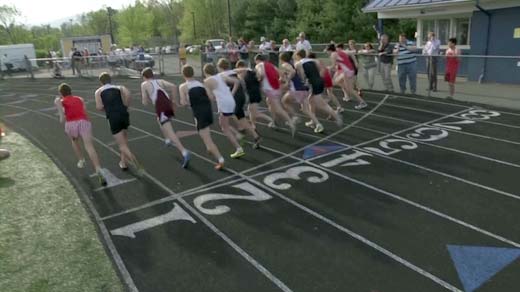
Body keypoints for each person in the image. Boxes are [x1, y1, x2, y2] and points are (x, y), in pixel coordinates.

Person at [55, 83, 107, 186]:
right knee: (89, 146)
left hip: (71, 124)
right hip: (83, 122)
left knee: (74, 140)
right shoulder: (80, 99)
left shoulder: (60, 101)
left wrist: (58, 103)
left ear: (61, 93)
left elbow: (62, 119)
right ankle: (98, 169)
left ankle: (81, 159)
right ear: (70, 91)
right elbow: (84, 111)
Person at [140, 67, 191, 168]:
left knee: (170, 130)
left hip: (161, 107)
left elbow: (145, 102)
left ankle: (184, 152)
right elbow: (173, 86)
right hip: (167, 104)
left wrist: (147, 100)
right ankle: (167, 139)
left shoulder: (144, 84)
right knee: (159, 120)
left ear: (144, 77)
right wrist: (175, 101)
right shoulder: (160, 81)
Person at [179, 65, 225, 170]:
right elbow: (211, 97)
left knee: (208, 140)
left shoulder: (183, 87)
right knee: (201, 130)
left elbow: (183, 102)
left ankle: (220, 159)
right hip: (207, 110)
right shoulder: (201, 84)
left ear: (183, 75)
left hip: (200, 112)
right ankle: (209, 148)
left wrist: (185, 103)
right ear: (193, 73)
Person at [94, 72, 142, 172]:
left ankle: (136, 163)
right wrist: (126, 105)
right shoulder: (119, 87)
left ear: (101, 82)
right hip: (124, 114)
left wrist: (107, 109)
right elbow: (128, 94)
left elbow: (98, 107)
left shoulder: (98, 91)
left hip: (113, 117)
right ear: (110, 80)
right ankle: (123, 163)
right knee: (124, 141)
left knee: (122, 145)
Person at [203, 63, 247, 158]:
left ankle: (239, 148)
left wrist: (214, 96)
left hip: (224, 103)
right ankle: (238, 134)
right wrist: (231, 93)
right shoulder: (221, 76)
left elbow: (210, 97)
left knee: (224, 128)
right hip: (230, 100)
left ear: (205, 72)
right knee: (224, 122)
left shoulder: (207, 81)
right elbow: (237, 82)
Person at [294, 49, 342, 133]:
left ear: (298, 56)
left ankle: (336, 116)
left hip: (313, 83)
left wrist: (304, 82)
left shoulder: (298, 63)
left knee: (321, 104)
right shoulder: (313, 60)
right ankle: (312, 121)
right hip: (319, 80)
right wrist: (318, 77)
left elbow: (301, 74)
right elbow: (322, 70)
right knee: (310, 101)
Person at [217, 58, 262, 145]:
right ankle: (255, 136)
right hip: (241, 96)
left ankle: (240, 131)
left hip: (235, 98)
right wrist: (249, 69)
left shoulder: (221, 75)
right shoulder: (233, 71)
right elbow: (242, 69)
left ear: (219, 67)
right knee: (241, 118)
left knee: (225, 118)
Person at [255, 54, 295, 135]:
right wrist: (283, 81)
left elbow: (261, 74)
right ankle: (273, 121)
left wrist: (258, 81)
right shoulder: (271, 65)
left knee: (277, 108)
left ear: (257, 60)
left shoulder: (259, 65)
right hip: (276, 88)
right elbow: (281, 73)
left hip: (270, 89)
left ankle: (291, 123)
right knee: (269, 102)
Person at [278, 52, 319, 128]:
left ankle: (295, 117)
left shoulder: (285, 65)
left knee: (284, 101)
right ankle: (318, 124)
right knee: (305, 109)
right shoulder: (293, 63)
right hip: (302, 87)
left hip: (296, 88)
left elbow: (292, 72)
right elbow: (297, 73)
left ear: (281, 59)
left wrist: (287, 81)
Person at [235, 60, 274, 128]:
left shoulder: (244, 73)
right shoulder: (252, 72)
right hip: (255, 93)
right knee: (250, 110)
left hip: (253, 95)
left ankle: (271, 120)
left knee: (256, 113)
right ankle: (253, 125)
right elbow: (259, 78)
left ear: (240, 67)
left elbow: (242, 83)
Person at [327, 44, 367, 110]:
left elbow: (333, 66)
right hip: (350, 70)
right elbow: (350, 53)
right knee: (339, 83)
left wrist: (326, 68)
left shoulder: (333, 54)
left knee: (347, 88)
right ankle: (349, 94)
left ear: (329, 50)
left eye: (327, 51)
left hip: (347, 71)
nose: (327, 52)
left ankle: (362, 102)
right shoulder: (340, 52)